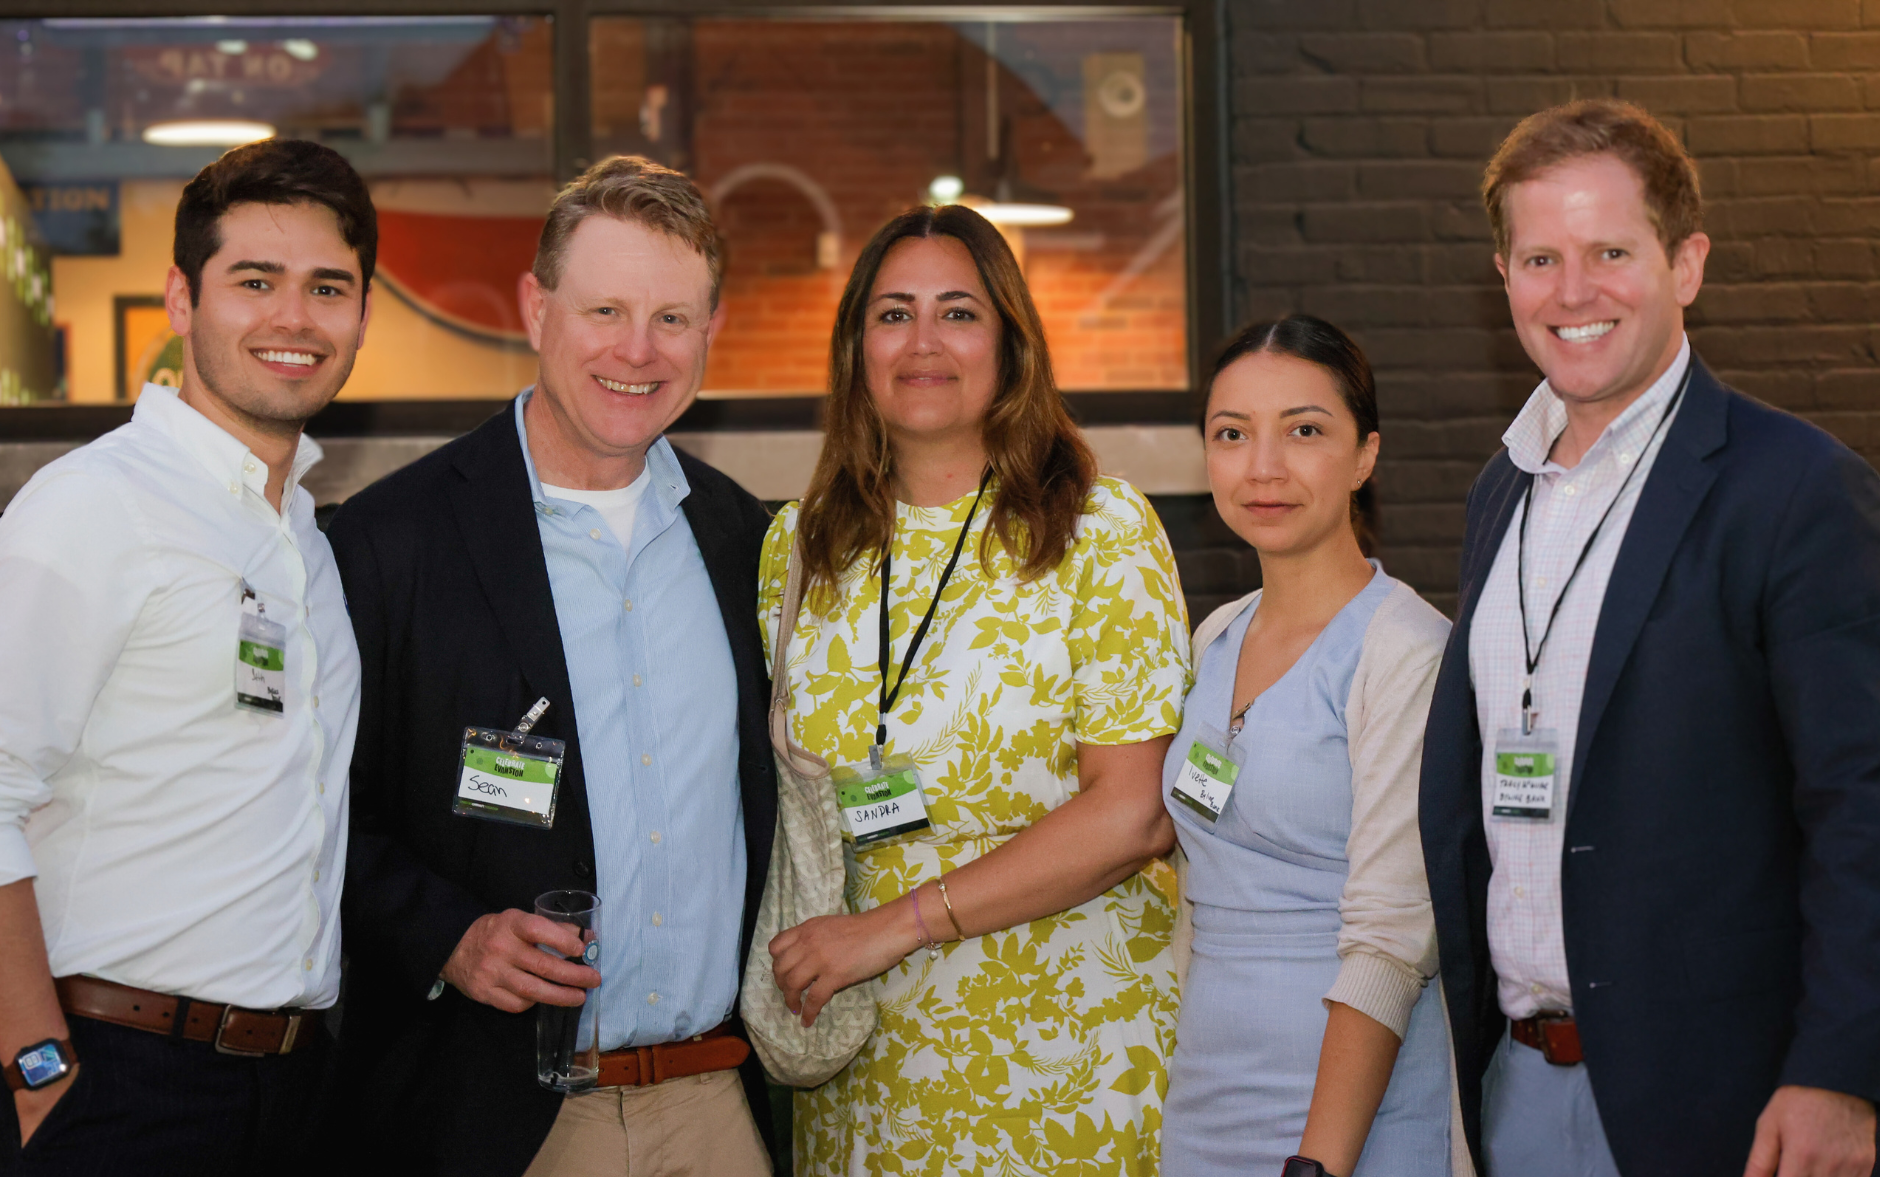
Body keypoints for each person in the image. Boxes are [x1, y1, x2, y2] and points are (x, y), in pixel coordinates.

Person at [1419, 98, 1880, 1177]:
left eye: (1608, 252)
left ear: (1685, 264)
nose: (1570, 292)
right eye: (1538, 257)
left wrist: (1843, 1071)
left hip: (1727, 1099)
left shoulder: (1795, 489)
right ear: (1501, 280)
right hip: (1514, 1085)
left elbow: (1861, 801)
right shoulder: (1502, 489)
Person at [323, 156, 777, 1177]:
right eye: (604, 308)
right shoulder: (393, 540)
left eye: (671, 318)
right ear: (536, 310)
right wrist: (445, 934)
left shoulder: (745, 542)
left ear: (710, 331)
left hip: (715, 1108)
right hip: (491, 1115)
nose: (636, 349)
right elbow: (315, 806)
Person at [759, 203, 1192, 1175]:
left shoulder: (1097, 529)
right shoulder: (799, 547)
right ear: (854, 347)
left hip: (1069, 1063)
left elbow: (1132, 816)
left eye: (957, 313)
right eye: (891, 313)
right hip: (861, 1074)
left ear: (1009, 344)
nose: (922, 343)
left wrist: (891, 928)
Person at [0, 139, 372, 1174]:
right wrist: (38, 1072)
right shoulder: (92, 507)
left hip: (290, 1085)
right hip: (116, 1080)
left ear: (362, 314)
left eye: (327, 287)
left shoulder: (303, 540)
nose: (294, 318)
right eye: (255, 281)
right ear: (180, 297)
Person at [1160, 315, 1457, 1177]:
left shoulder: (1407, 651)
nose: (1263, 468)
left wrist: (1317, 1165)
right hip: (1206, 1103)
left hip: (1353, 1123)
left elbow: (1393, 941)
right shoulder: (1215, 635)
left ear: (1365, 454)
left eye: (1304, 431)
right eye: (1231, 434)